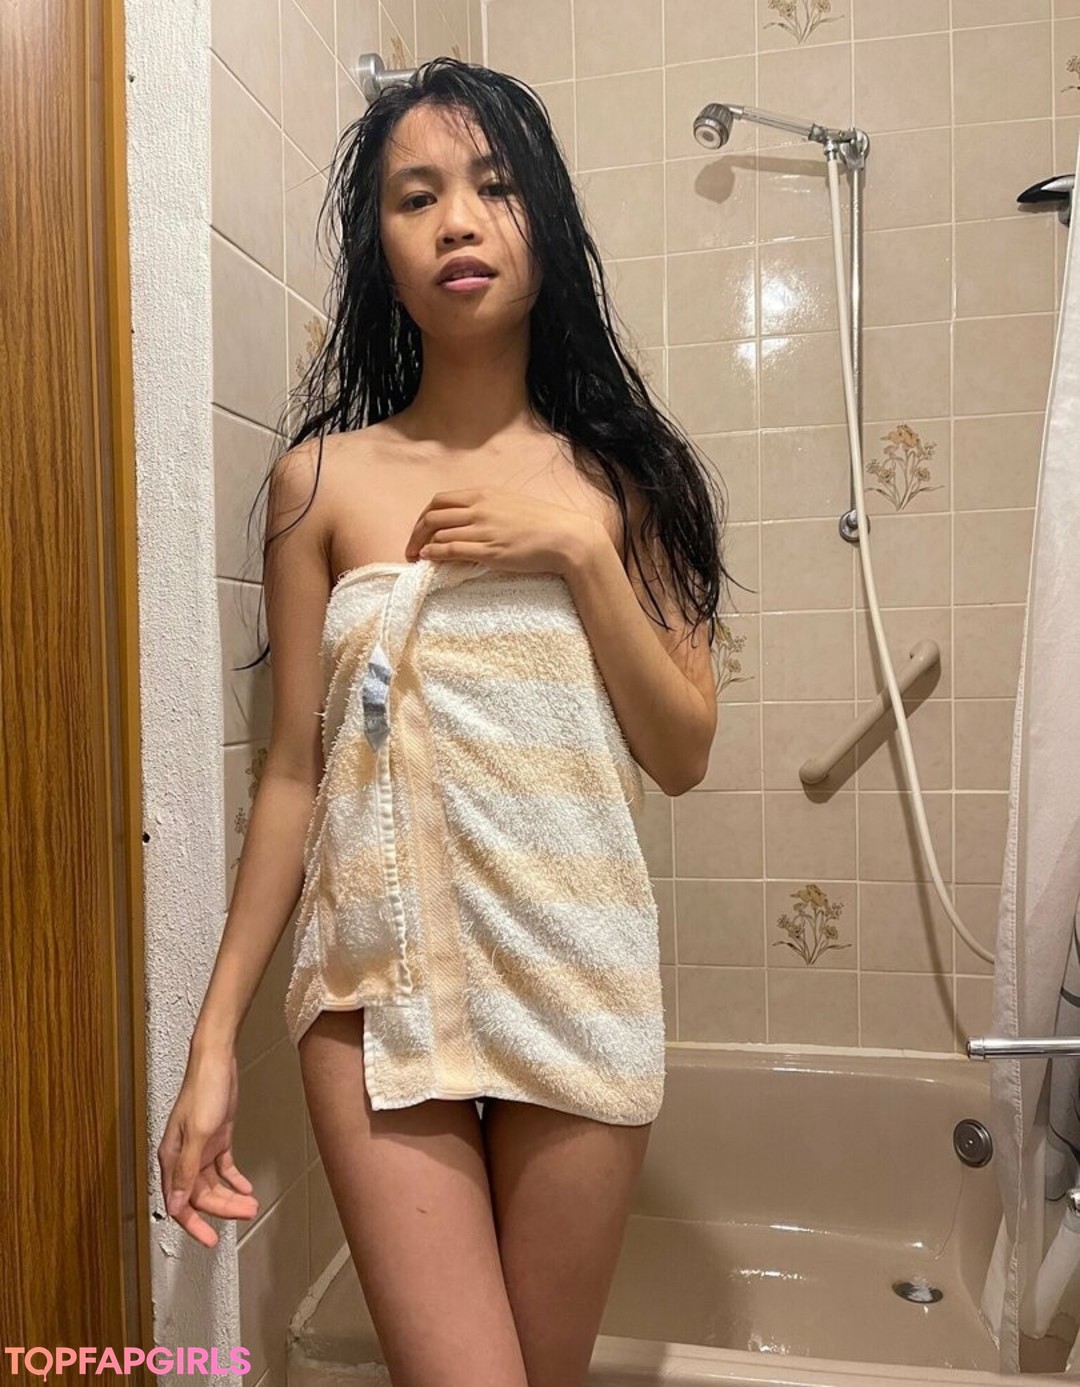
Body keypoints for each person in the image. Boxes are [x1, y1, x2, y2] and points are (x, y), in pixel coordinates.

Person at [158, 56, 729, 1387]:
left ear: (547, 222)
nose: (458, 222)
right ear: (383, 250)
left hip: (576, 977)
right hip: (374, 991)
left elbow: (682, 752)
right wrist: (211, 1041)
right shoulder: (318, 484)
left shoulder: (629, 482)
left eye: (493, 186)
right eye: (417, 198)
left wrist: (578, 552)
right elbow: (293, 774)